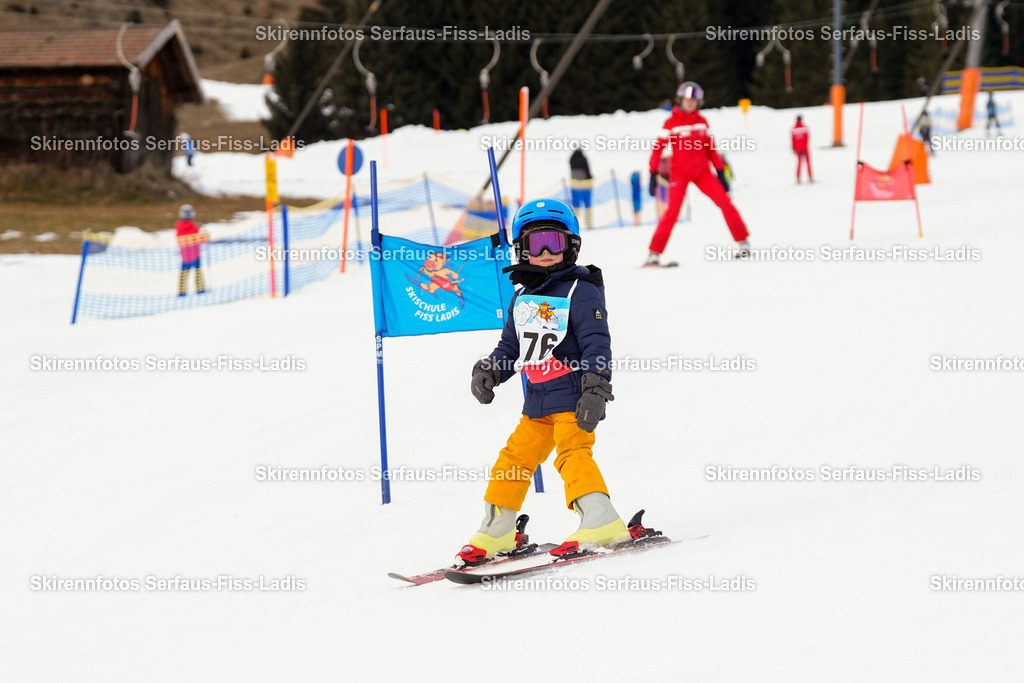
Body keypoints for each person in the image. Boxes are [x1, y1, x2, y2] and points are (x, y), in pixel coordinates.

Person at [459, 198, 645, 565]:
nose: (544, 252)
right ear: (521, 249)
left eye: (554, 243)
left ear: (571, 246)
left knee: (572, 456)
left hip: (573, 398)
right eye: (534, 244)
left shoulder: (581, 289)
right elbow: (511, 347)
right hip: (537, 404)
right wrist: (490, 370)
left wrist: (596, 388)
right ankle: (497, 530)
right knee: (513, 459)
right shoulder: (521, 297)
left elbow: (596, 343)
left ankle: (601, 521)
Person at [645, 81, 750, 264]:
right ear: (681, 100)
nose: (690, 103)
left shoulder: (702, 122)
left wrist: (720, 171)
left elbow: (711, 149)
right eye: (687, 99)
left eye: (694, 100)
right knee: (672, 213)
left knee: (726, 203)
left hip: (703, 173)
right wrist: (653, 173)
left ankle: (743, 243)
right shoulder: (671, 122)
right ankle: (654, 254)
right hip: (680, 174)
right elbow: (657, 149)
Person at [175, 205, 206, 296]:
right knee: (197, 272)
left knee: (184, 274)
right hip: (195, 255)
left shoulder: (179, 226)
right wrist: (204, 235)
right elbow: (199, 239)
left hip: (185, 256)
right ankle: (200, 289)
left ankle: (182, 291)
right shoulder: (194, 226)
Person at [568, 149, 594, 229]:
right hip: (585, 185)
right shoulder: (583, 159)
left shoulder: (571, 159)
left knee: (576, 208)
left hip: (574, 186)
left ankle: (573, 225)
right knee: (587, 207)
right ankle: (589, 225)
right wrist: (590, 178)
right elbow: (588, 170)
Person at [791, 115, 813, 183]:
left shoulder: (793, 129)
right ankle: (810, 177)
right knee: (808, 163)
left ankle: (798, 178)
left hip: (798, 149)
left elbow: (793, 140)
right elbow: (807, 138)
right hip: (805, 148)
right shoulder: (805, 128)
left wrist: (794, 148)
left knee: (799, 164)